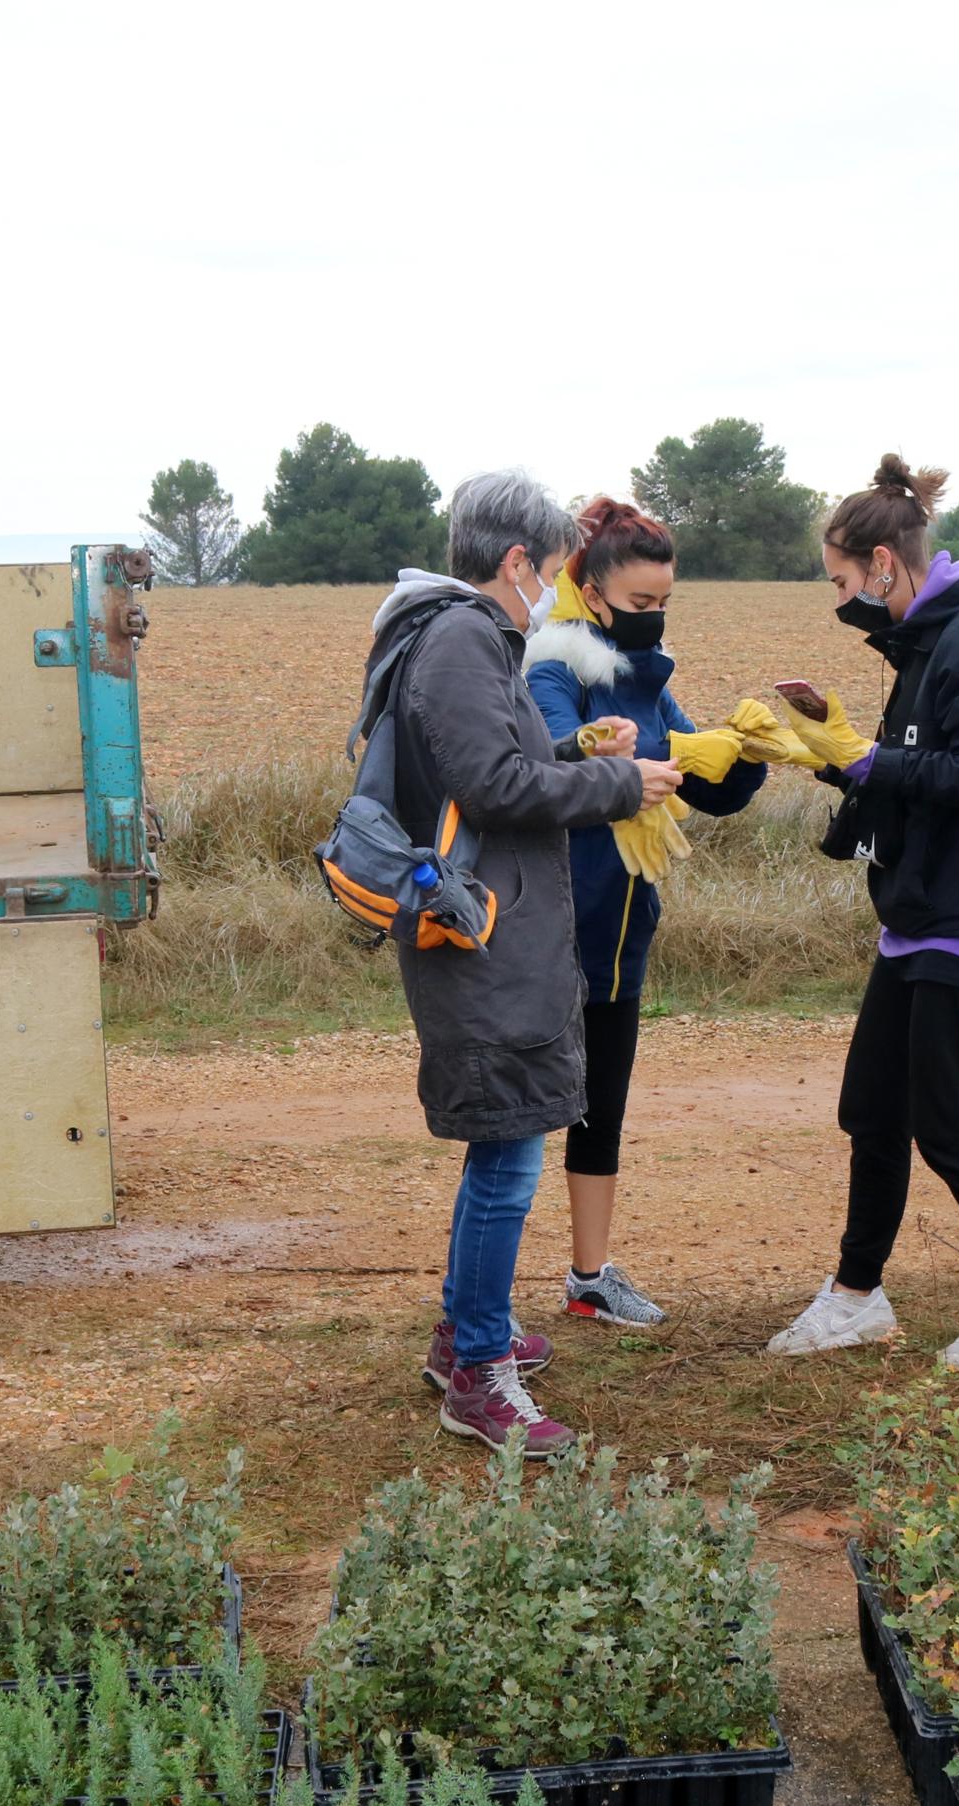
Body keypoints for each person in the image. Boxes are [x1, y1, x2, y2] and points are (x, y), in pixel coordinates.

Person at [368, 469, 679, 1454]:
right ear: (515, 562)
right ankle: (480, 1378)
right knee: (509, 1156)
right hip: (485, 934)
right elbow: (494, 785)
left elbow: (493, 758)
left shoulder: (450, 631)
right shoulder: (463, 635)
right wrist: (618, 781)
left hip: (486, 921)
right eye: (546, 570)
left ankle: (469, 1330)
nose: (550, 589)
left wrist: (572, 744)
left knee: (500, 1145)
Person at [767, 455, 959, 1369]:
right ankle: (857, 1295)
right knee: (874, 1108)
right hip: (921, 912)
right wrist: (829, 751)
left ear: (885, 564)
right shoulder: (926, 642)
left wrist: (863, 759)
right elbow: (908, 766)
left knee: (948, 1120)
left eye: (845, 581)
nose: (843, 597)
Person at [525, 496, 767, 1328]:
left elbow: (710, 787)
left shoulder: (647, 680)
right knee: (521, 1122)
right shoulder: (549, 671)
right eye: (639, 605)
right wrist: (629, 755)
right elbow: (565, 767)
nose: (653, 619)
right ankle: (479, 1301)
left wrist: (746, 751)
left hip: (621, 938)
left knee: (601, 1111)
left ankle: (588, 1278)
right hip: (547, 933)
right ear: (590, 594)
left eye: (664, 603)